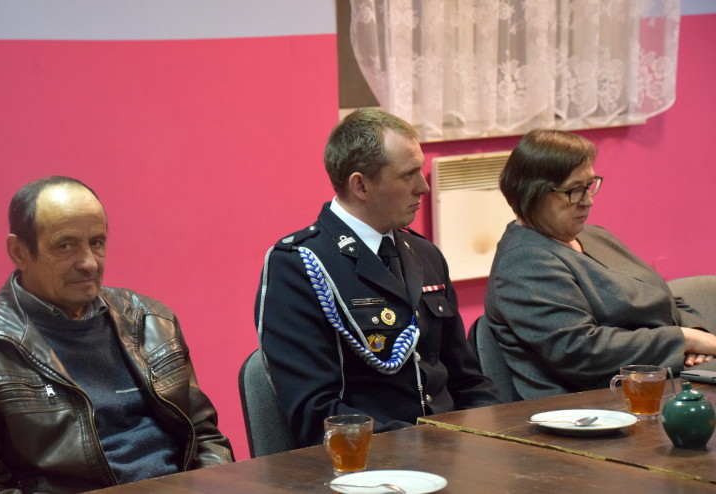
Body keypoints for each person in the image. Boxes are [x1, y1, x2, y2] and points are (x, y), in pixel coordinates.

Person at [0, 177, 233, 493]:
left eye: (96, 242)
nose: (88, 263)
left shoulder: (152, 321)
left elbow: (205, 436)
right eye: (65, 246)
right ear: (19, 252)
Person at [255, 108, 499, 448]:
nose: (423, 186)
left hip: (450, 450)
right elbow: (316, 413)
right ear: (361, 185)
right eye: (408, 174)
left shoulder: (425, 254)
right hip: (369, 461)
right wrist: (424, 447)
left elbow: (468, 382)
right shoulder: (299, 266)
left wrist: (492, 437)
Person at [484, 129, 716, 399]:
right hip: (594, 402)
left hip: (657, 380)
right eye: (574, 190)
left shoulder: (594, 236)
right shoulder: (524, 262)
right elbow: (581, 352)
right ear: (532, 193)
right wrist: (683, 340)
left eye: (590, 185)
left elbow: (664, 297)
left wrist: (696, 333)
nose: (588, 201)